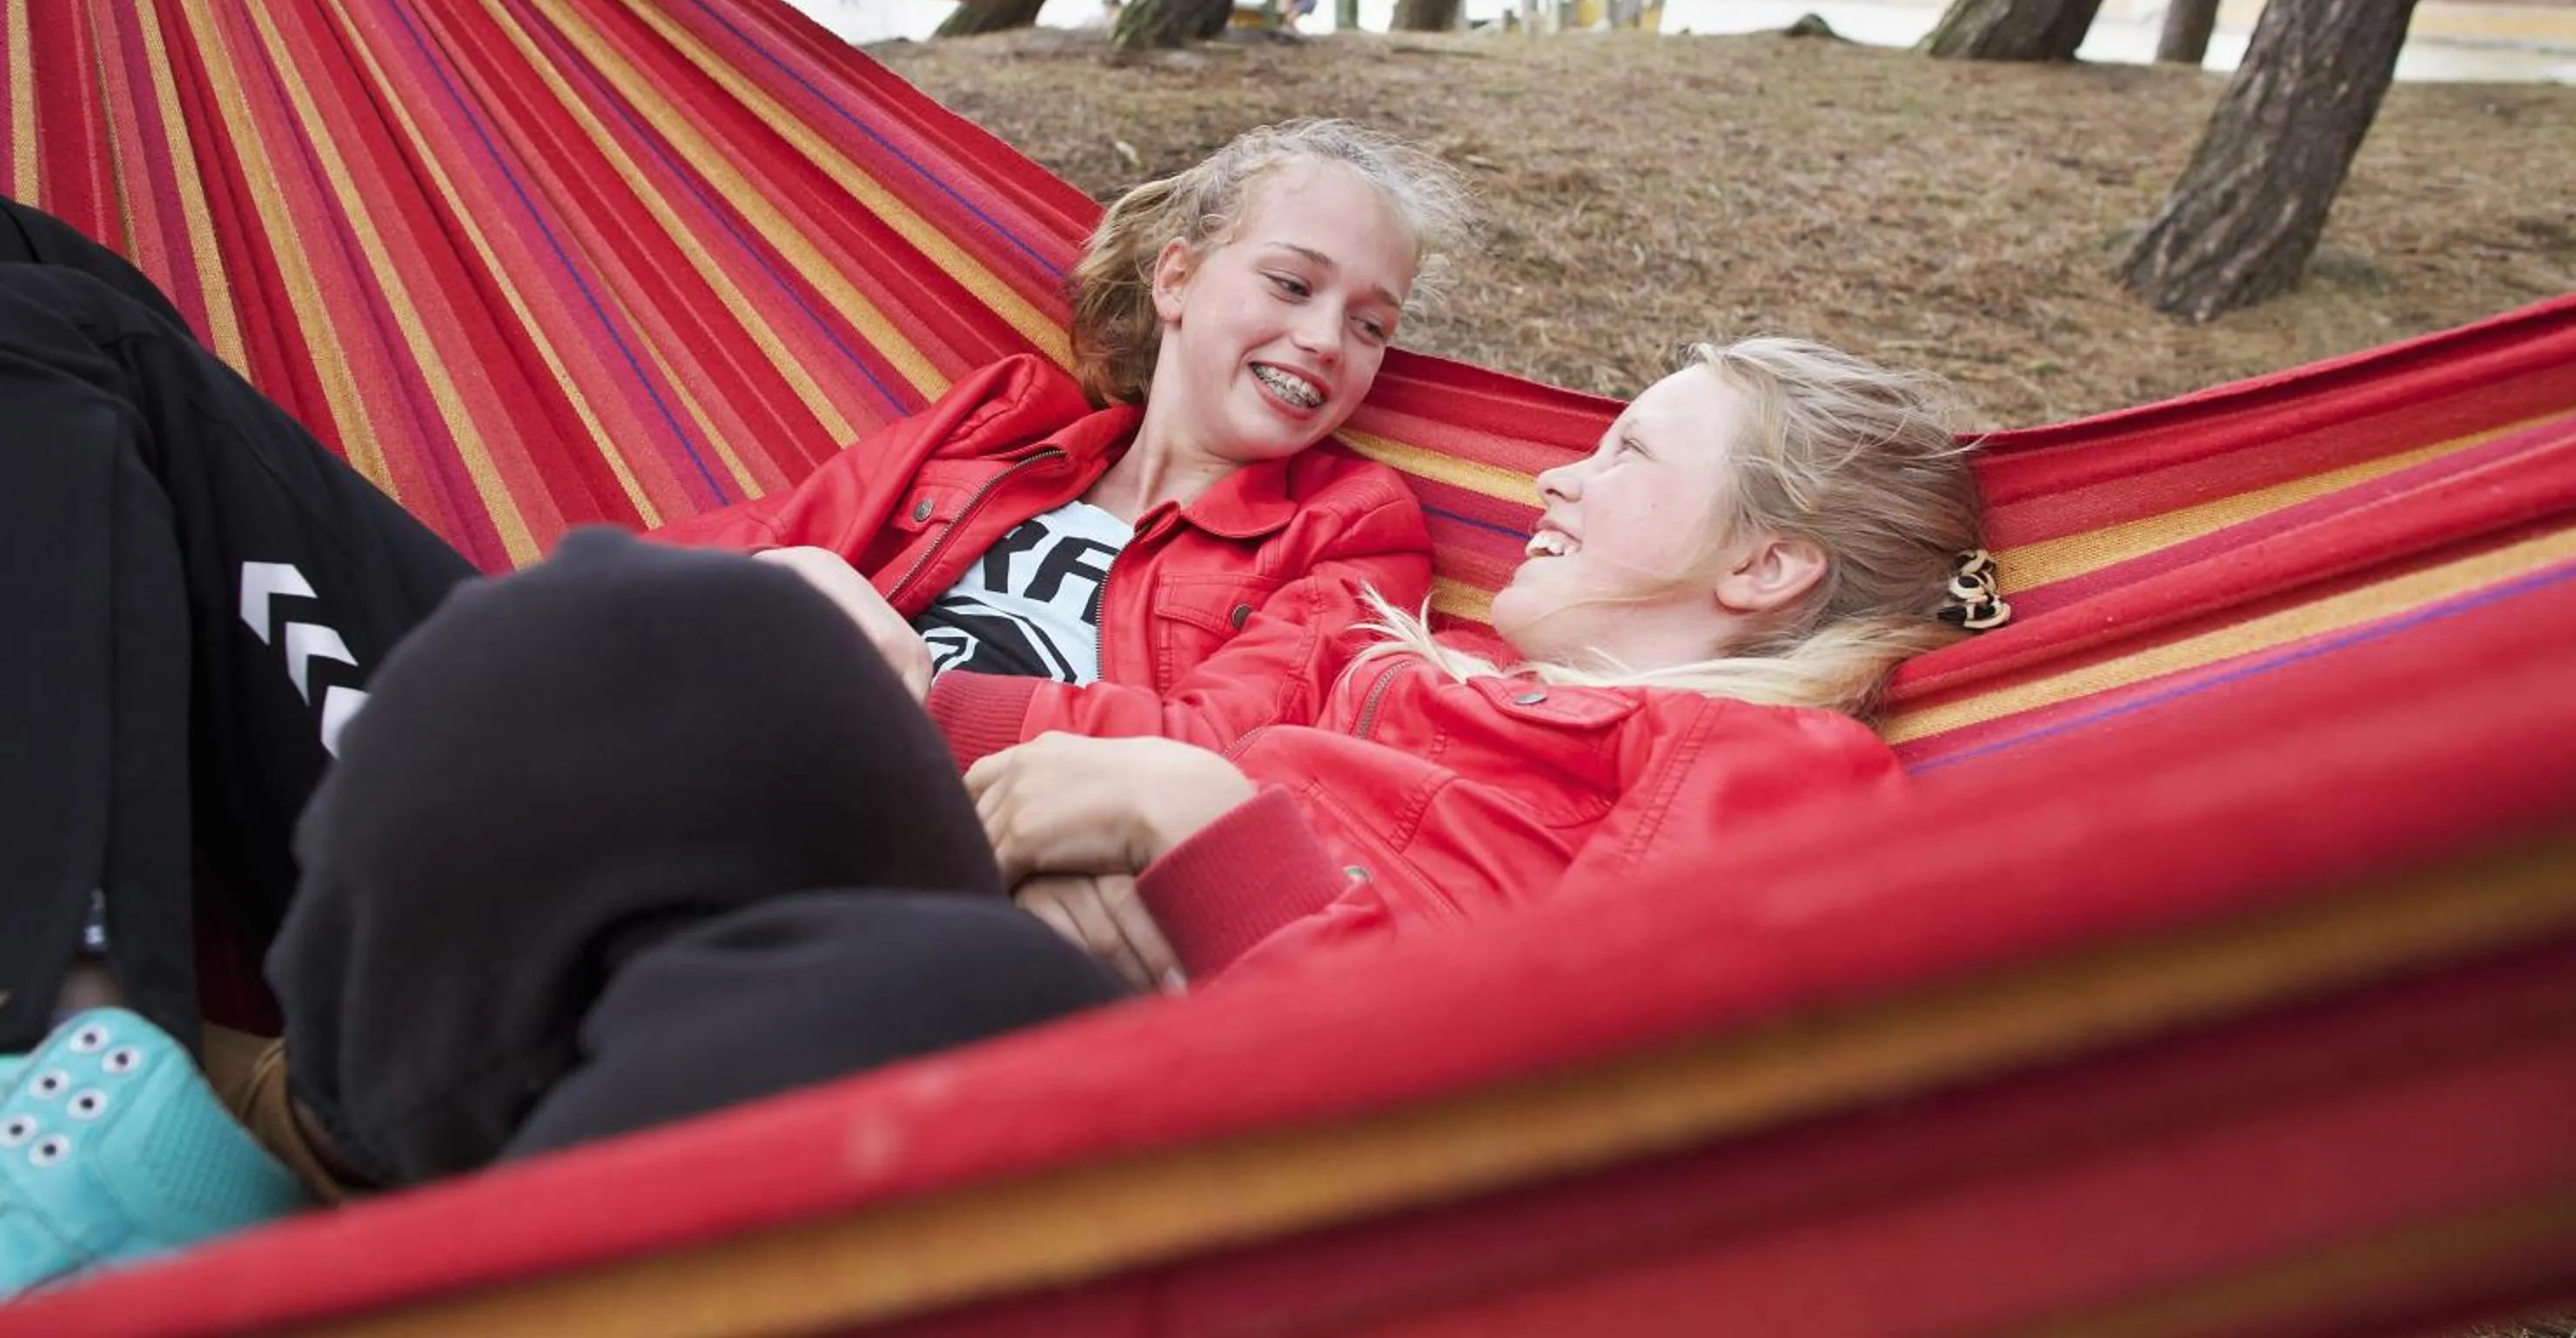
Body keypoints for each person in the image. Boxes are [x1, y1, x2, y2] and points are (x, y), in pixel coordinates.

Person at [0, 334, 1995, 1298]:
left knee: (883, 937)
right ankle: (144, 1098)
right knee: (56, 319)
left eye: (1629, 451)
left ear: (1763, 576)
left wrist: (1205, 829)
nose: (1559, 475)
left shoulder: (1762, 774)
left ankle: (260, 1167)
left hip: (1070, 1125)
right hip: (733, 962)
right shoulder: (1399, 656)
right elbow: (1104, 726)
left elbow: (1591, 1117)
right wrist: (894, 666)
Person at [0, 120, 1467, 1074]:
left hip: (790, 882)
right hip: (584, 761)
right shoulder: (995, 436)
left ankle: (71, 1034)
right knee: (43, 286)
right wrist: (802, 580)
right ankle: (86, 1034)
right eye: (1292, 283)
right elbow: (697, 560)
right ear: (1178, 275)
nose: (1326, 340)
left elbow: (1226, 752)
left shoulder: (1350, 530)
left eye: (1370, 324)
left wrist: (883, 683)